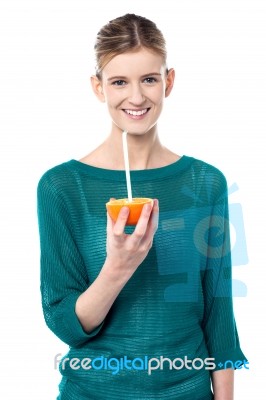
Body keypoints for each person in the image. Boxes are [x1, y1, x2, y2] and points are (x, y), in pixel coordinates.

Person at [37, 13, 247, 400]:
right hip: (92, 391)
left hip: (187, 389)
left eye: (149, 79)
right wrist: (119, 266)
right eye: (119, 82)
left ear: (168, 81)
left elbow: (219, 315)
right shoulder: (61, 187)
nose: (136, 97)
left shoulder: (206, 183)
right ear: (98, 88)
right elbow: (66, 324)